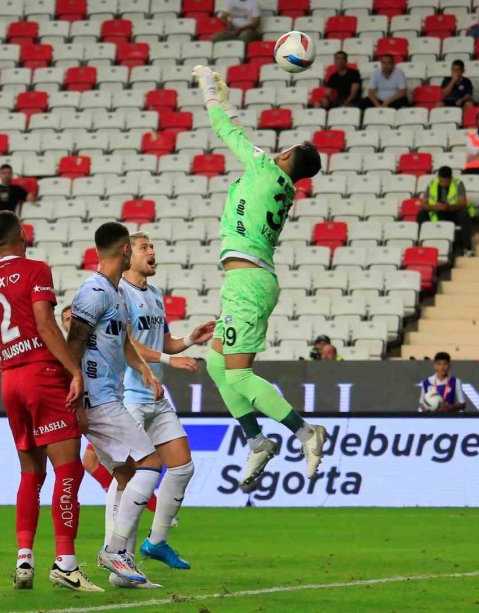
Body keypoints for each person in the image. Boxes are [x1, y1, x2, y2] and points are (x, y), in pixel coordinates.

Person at [192, 65, 327, 491]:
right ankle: (256, 439)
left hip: (248, 284)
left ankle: (305, 432)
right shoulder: (281, 183)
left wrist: (213, 94)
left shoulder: (266, 169)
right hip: (246, 280)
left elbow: (225, 130)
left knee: (237, 375)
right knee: (216, 362)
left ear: (286, 157)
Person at [0, 211, 100, 593]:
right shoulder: (35, 270)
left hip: (10, 380)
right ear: (23, 234)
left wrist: (15, 343)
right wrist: (73, 369)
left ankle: (24, 559)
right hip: (42, 376)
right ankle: (66, 563)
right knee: (67, 470)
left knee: (30, 473)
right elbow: (45, 323)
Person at [65, 222, 164, 586]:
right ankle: (115, 550)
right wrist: (75, 398)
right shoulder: (93, 292)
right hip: (97, 399)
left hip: (107, 395)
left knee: (125, 474)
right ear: (125, 251)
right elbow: (72, 344)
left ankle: (122, 570)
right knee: (151, 465)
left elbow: (123, 343)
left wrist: (147, 371)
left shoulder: (115, 293)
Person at [118, 231, 215, 576]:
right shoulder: (119, 293)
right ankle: (118, 561)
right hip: (127, 395)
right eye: (145, 248)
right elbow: (128, 345)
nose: (152, 252)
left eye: (153, 247)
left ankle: (156, 541)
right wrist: (169, 361)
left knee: (183, 466)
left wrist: (190, 339)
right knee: (129, 478)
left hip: (155, 396)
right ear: (128, 255)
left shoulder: (156, 295)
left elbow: (164, 343)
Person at [417, 166, 475, 257]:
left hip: (452, 212)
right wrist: (434, 207)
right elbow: (423, 203)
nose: (443, 183)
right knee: (421, 214)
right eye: (441, 181)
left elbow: (462, 203)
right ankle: (418, 246)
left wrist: (448, 207)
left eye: (446, 181)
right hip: (436, 211)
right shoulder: (432, 184)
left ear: (451, 178)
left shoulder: (458, 184)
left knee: (464, 215)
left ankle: (467, 248)